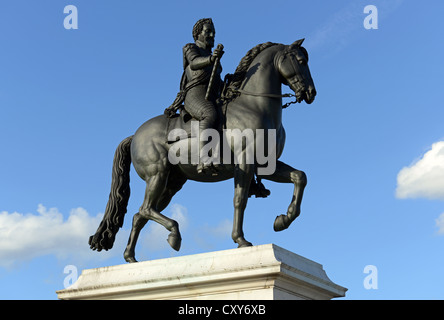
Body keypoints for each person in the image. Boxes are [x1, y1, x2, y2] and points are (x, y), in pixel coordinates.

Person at [165, 18, 224, 174]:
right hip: (195, 95)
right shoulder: (190, 48)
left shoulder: (214, 58)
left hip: (212, 96)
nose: (212, 35)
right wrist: (211, 59)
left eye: (213, 33)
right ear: (198, 34)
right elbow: (194, 63)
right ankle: (204, 158)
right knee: (208, 113)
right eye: (208, 31)